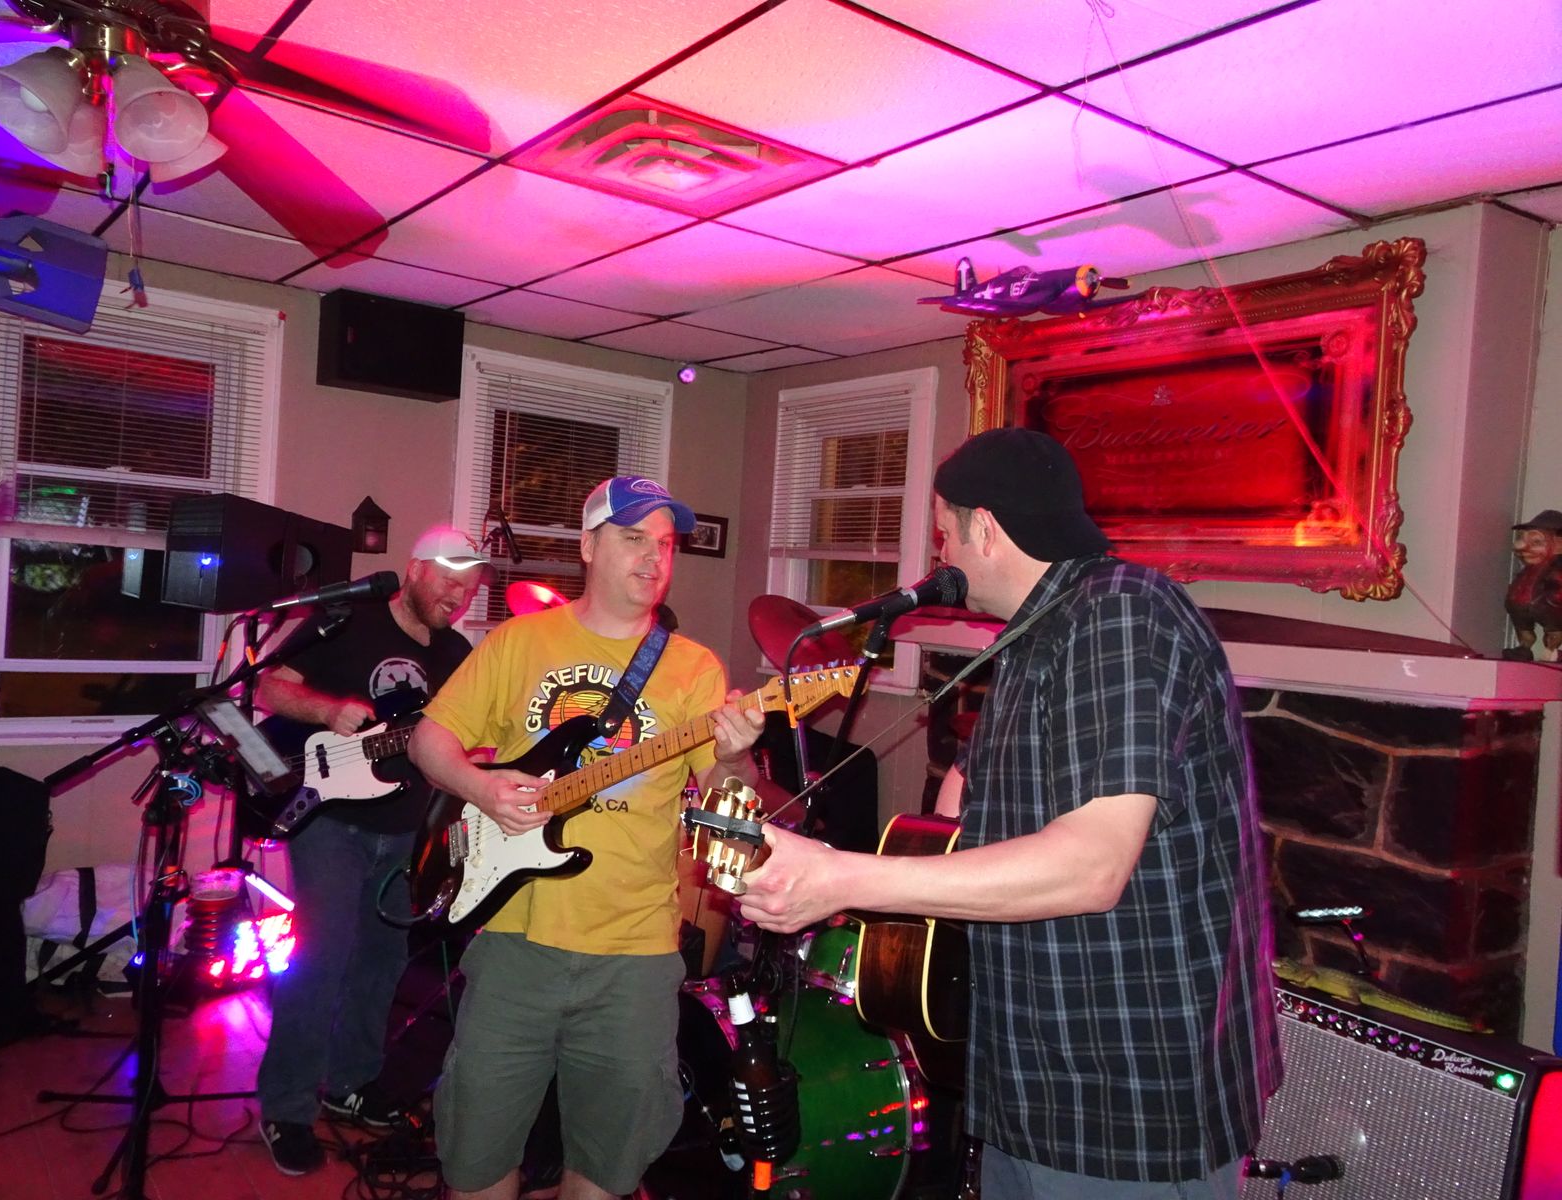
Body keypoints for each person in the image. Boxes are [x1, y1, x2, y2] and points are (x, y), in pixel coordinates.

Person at [738, 428, 1282, 1199]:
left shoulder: (1122, 614)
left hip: (1125, 1106)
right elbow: (974, 803)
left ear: (985, 529)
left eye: (943, 535)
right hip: (1035, 1084)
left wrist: (842, 879)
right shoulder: (1037, 636)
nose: (939, 556)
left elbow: (1091, 866)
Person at [408, 475, 764, 1200]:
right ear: (588, 546)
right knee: (476, 1160)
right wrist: (482, 789)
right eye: (634, 538)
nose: (654, 557)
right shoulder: (519, 641)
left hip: (634, 957)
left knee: (608, 1167)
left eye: (665, 544)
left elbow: (730, 796)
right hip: (514, 944)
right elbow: (428, 740)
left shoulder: (694, 666)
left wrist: (734, 755)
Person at [254, 526, 489, 1175]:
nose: (457, 596)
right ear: (414, 570)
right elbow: (270, 688)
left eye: (468, 588)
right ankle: (286, 1105)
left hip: (407, 826)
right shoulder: (347, 620)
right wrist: (329, 712)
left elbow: (459, 735)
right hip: (331, 820)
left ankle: (351, 1081)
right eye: (448, 581)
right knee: (321, 958)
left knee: (382, 962)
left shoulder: (457, 652)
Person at [1505, 509, 1562, 660]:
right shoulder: (1528, 572)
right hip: (1522, 604)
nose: (1522, 547)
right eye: (1522, 539)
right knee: (1522, 623)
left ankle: (1551, 651)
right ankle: (1524, 647)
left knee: (1555, 628)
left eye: (1536, 542)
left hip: (1550, 605)